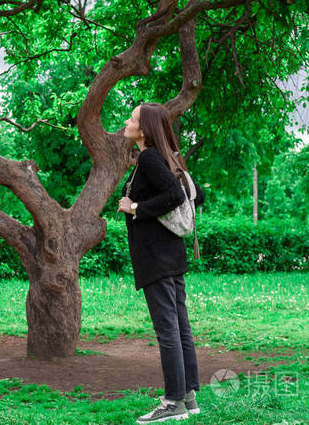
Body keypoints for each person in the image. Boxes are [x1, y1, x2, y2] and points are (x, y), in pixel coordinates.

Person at [117, 103, 200, 423]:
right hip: (171, 255)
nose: (127, 121)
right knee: (179, 329)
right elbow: (198, 194)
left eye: (133, 118)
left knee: (168, 330)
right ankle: (188, 396)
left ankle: (173, 402)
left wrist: (134, 206)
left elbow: (176, 197)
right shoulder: (167, 157)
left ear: (145, 129)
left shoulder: (150, 157)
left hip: (157, 258)